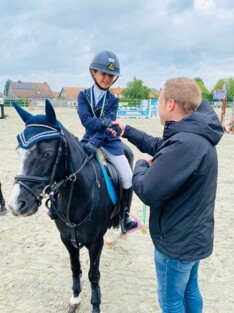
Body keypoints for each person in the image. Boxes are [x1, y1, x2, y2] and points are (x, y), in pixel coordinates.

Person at [110, 77, 224, 313]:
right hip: (192, 237)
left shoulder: (185, 145)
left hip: (176, 243)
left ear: (170, 104)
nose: (159, 104)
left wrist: (141, 165)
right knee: (190, 291)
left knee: (171, 303)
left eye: (160, 100)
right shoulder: (193, 135)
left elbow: (148, 190)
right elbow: (162, 146)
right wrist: (127, 131)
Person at [77, 50, 137, 233]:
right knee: (68, 163)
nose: (107, 78)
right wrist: (101, 124)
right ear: (93, 72)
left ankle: (124, 216)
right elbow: (85, 120)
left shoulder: (113, 100)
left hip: (109, 142)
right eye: (103, 73)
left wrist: (99, 136)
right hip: (88, 139)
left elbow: (109, 126)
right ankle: (55, 206)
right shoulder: (83, 96)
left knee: (128, 177)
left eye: (111, 75)